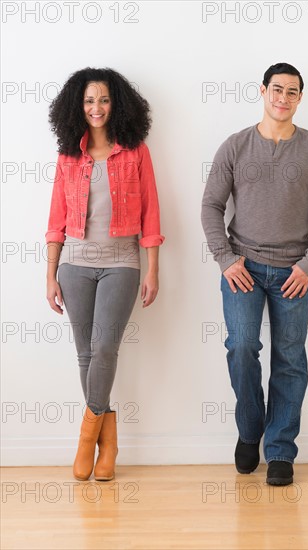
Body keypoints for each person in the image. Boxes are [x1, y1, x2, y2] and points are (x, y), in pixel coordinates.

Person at [201, 62, 308, 485]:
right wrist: (226, 258)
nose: (282, 98)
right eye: (276, 89)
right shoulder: (235, 146)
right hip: (242, 266)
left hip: (293, 272)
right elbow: (211, 206)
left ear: (300, 98)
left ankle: (280, 450)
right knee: (241, 346)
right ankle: (250, 430)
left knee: (290, 360)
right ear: (262, 91)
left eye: (292, 92)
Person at [45, 67, 164, 482]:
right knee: (85, 353)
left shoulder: (135, 151)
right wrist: (50, 273)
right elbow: (55, 218)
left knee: (105, 348)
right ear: (78, 107)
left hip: (122, 263)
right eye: (90, 100)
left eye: (105, 100)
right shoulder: (68, 156)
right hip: (74, 263)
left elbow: (151, 213)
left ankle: (87, 439)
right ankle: (108, 444)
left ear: (118, 105)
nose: (97, 107)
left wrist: (152, 270)